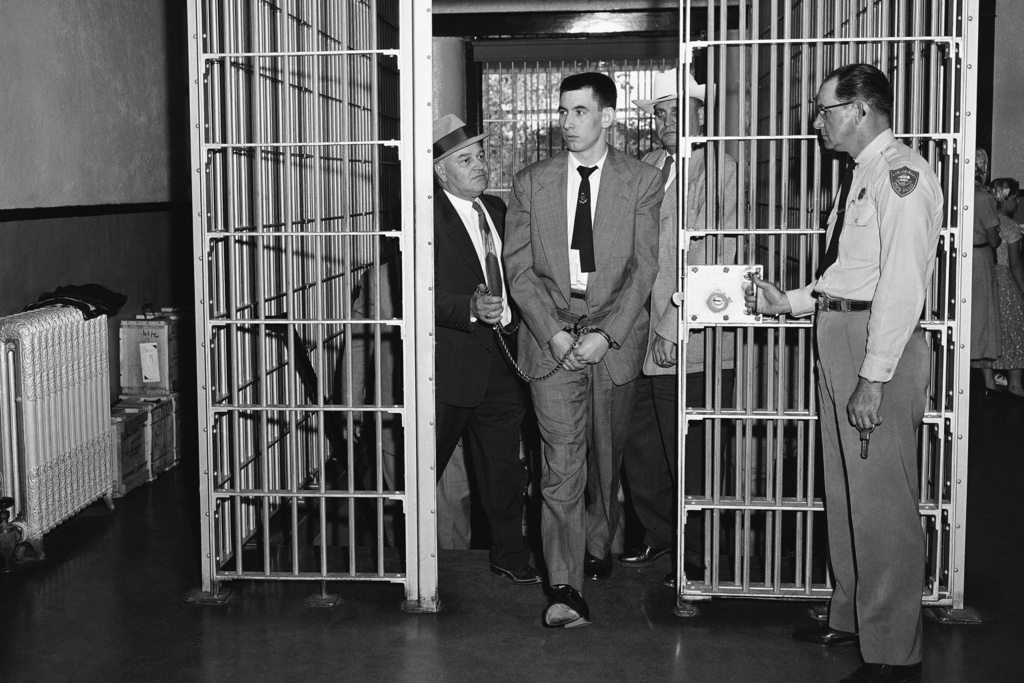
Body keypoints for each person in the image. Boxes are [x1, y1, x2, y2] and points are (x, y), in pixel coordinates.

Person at [745, 64, 941, 683]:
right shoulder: (863, 175)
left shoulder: (903, 176)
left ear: (860, 109)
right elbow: (850, 275)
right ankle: (854, 615)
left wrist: (873, 376)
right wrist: (793, 302)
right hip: (843, 334)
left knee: (882, 504)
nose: (817, 121)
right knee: (847, 491)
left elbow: (902, 287)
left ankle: (892, 653)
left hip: (875, 347)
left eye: (825, 109)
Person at [504, 72, 662, 627]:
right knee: (561, 463)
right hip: (552, 336)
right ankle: (564, 587)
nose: (566, 123)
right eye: (563, 112)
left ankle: (600, 538)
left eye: (579, 112)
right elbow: (518, 269)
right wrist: (554, 331)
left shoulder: (642, 181)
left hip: (611, 339)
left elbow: (645, 267)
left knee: (605, 455)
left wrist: (607, 333)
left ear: (607, 117)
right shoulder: (531, 182)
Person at [620, 69, 738, 588]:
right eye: (660, 113)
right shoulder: (650, 165)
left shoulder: (722, 170)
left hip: (689, 333)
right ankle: (657, 532)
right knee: (641, 441)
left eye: (676, 111)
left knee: (687, 447)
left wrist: (672, 325)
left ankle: (698, 556)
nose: (665, 121)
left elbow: (720, 256)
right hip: (638, 331)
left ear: (703, 114)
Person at [431, 113, 539, 585]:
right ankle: (403, 560)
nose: (479, 165)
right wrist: (470, 308)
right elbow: (415, 293)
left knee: (502, 469)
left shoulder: (497, 209)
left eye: (480, 156)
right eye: (464, 159)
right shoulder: (421, 217)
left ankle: (509, 556)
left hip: (503, 362)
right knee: (423, 469)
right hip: (447, 369)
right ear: (440, 170)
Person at [976, 178, 1024, 399]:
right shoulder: (1011, 227)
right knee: (1015, 332)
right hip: (1005, 282)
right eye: (1014, 198)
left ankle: (989, 382)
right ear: (1005, 199)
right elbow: (1015, 264)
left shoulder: (986, 219)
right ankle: (1015, 383)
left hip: (987, 278)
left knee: (991, 329)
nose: (1017, 201)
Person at [971, 151, 1005, 396]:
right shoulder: (984, 197)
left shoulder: (954, 190)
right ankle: (985, 382)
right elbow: (994, 240)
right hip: (979, 259)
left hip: (958, 258)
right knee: (983, 317)